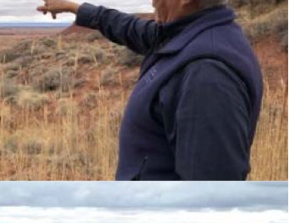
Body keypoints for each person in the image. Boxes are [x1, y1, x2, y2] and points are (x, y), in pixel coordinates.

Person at [37, 0, 263, 180]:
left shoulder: (207, 76)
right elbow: (129, 28)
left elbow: (211, 188)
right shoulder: (188, 33)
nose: (152, 1)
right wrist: (75, 8)